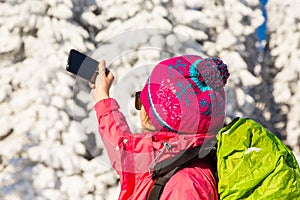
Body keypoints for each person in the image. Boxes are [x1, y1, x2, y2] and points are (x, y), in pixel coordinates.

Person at [90, 55, 230, 200]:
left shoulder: (185, 186)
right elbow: (124, 148)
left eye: (141, 101)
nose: (141, 110)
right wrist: (102, 99)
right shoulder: (167, 156)